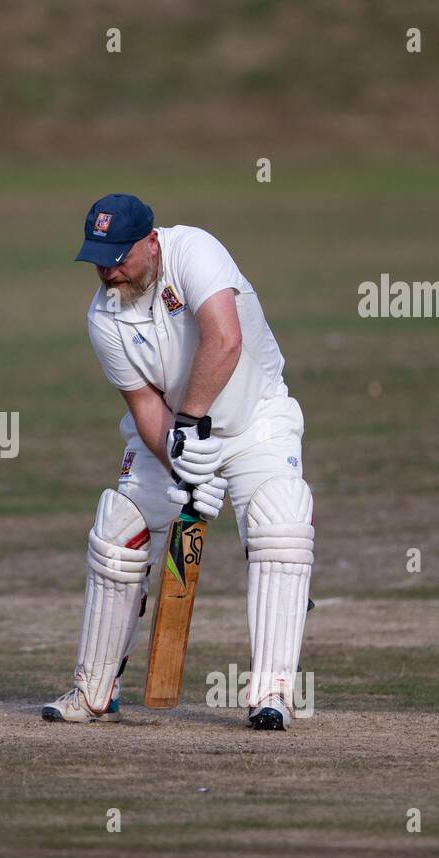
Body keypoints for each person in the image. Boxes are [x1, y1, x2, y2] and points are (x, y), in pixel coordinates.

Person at [42, 194, 314, 730]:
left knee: (280, 521)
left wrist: (189, 426)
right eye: (98, 257)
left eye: (119, 256)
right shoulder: (104, 318)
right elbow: (144, 405)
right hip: (170, 430)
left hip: (255, 420)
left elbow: (225, 338)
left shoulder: (195, 250)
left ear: (151, 242)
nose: (107, 269)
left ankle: (273, 694)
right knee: (119, 529)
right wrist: (180, 462)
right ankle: (95, 689)